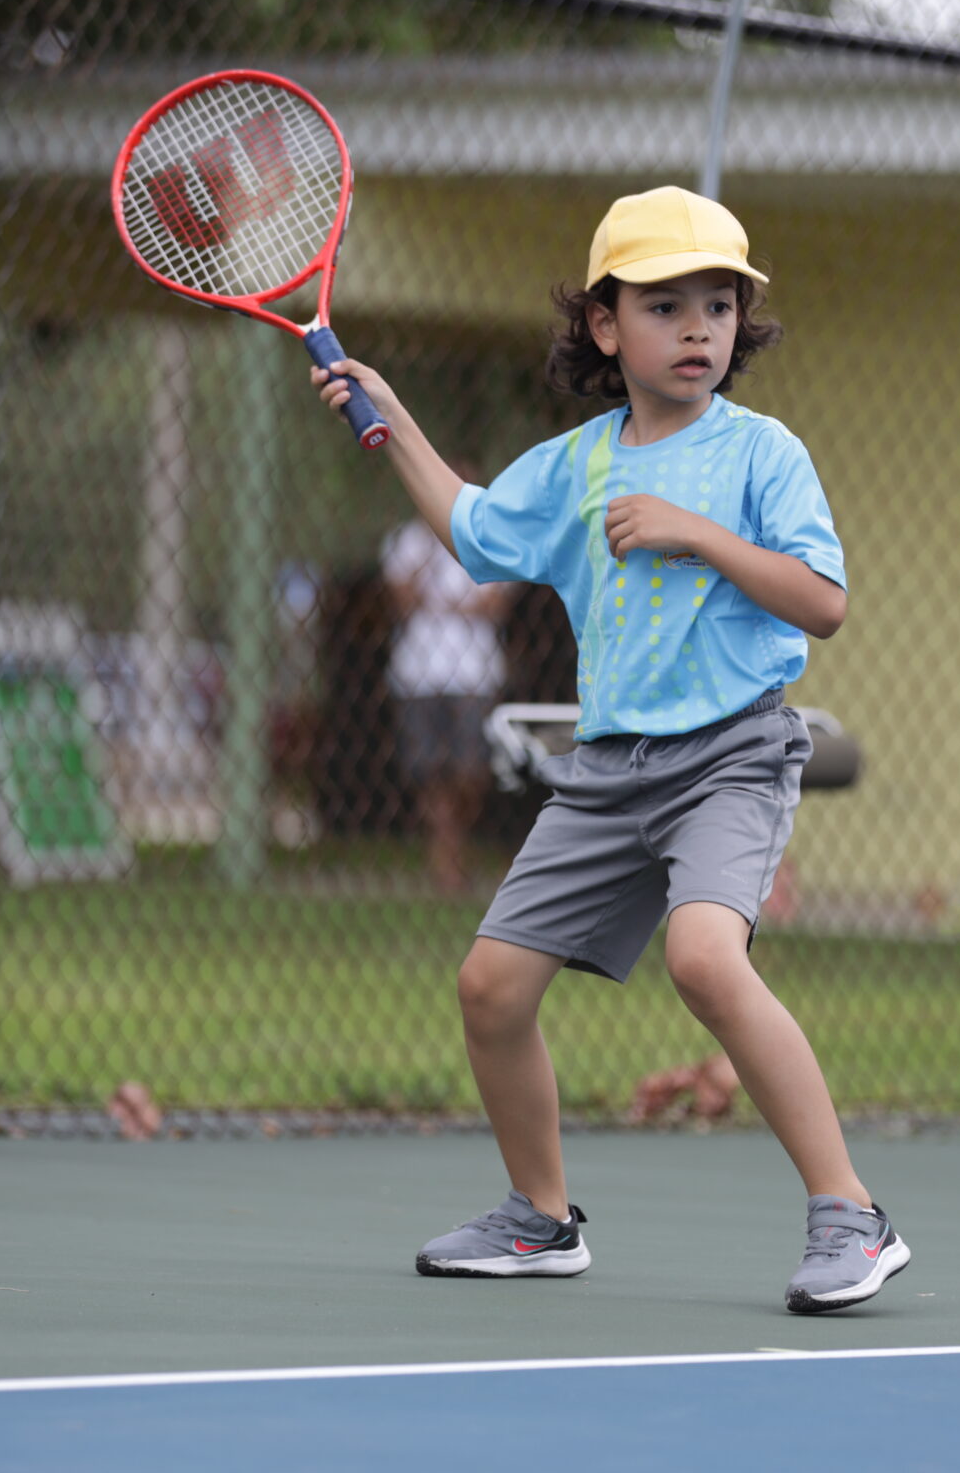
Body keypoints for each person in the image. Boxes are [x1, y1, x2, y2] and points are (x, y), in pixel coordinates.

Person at [312, 185, 906, 1314]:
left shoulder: (760, 455)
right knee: (489, 987)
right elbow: (475, 532)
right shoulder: (580, 465)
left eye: (718, 306)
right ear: (603, 326)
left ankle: (850, 1215)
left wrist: (698, 534)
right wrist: (380, 412)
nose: (696, 329)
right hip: (607, 771)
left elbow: (822, 603)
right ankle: (539, 1222)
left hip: (730, 755)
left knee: (703, 959)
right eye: (665, 304)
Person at [380, 503, 511, 894]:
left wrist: (446, 602)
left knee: (472, 771)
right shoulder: (408, 541)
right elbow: (403, 600)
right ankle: (446, 863)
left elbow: (493, 605)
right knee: (431, 774)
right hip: (419, 675)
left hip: (474, 673)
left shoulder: (491, 537)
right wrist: (432, 554)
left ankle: (455, 848)